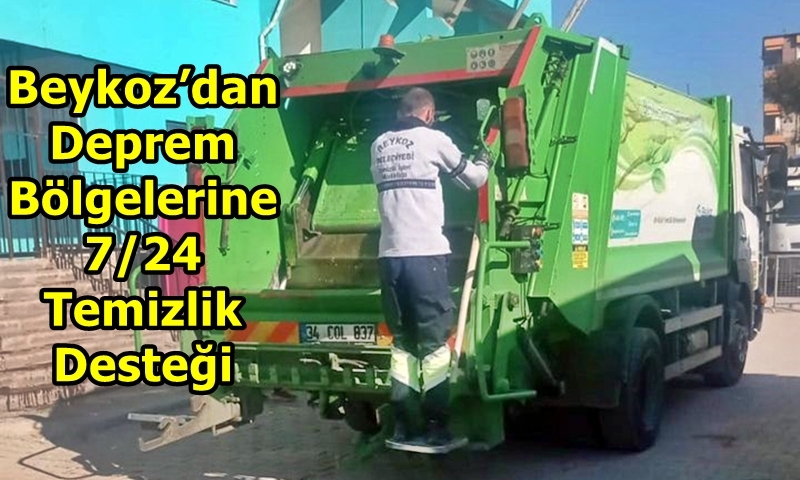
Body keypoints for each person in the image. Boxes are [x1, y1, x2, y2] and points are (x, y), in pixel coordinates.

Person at [369, 87, 492, 448]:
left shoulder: (378, 145)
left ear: (400, 112)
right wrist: (485, 159)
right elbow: (473, 180)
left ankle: (405, 426)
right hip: (425, 256)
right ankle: (437, 427)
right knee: (434, 344)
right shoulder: (433, 139)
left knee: (403, 343)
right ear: (428, 113)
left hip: (389, 257)